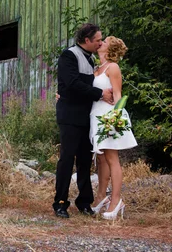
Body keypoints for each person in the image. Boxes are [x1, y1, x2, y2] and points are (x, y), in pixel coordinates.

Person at [53, 23, 114, 219]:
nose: (100, 43)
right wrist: (99, 94)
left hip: (88, 117)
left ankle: (84, 202)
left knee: (85, 161)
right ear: (86, 40)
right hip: (70, 117)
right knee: (67, 159)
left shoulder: (92, 59)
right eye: (97, 40)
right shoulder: (69, 55)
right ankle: (60, 203)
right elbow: (71, 83)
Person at [89, 36, 137, 220]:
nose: (101, 41)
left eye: (106, 40)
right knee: (101, 159)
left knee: (111, 158)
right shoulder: (96, 69)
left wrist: (116, 120)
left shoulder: (113, 67)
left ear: (111, 48)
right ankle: (101, 196)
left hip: (108, 116)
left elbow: (118, 95)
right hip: (95, 115)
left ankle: (116, 201)